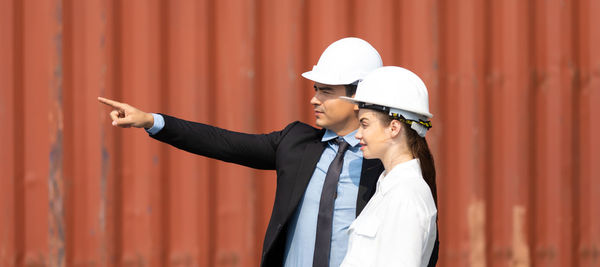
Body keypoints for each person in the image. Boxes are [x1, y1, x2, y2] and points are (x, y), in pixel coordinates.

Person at [99, 38, 438, 267]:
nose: (313, 99)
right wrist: (152, 121)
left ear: (359, 97)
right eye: (314, 89)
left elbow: (419, 247)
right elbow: (224, 143)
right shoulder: (295, 143)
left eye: (325, 91)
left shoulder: (391, 168)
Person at [339, 66, 438, 266]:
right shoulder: (390, 189)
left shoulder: (405, 196)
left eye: (364, 124)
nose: (358, 134)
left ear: (393, 128)